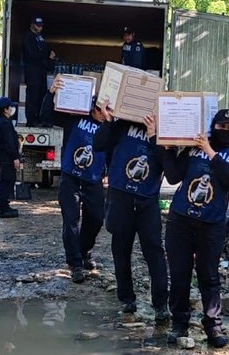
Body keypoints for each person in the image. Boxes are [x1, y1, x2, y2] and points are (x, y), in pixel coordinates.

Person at [162, 109, 229, 348]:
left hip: (211, 226)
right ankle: (179, 323)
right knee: (179, 275)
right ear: (213, 125)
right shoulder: (192, 149)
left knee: (209, 277)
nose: (227, 132)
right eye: (222, 126)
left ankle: (213, 327)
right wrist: (168, 147)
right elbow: (172, 176)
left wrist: (209, 151)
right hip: (180, 221)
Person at [94, 105, 171, 322]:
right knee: (121, 249)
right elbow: (98, 144)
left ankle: (161, 305)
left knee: (154, 252)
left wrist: (153, 134)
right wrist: (108, 121)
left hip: (147, 200)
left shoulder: (162, 130)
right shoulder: (120, 125)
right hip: (120, 196)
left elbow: (169, 165)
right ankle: (127, 298)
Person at [42, 77, 108, 283]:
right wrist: (51, 93)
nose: (102, 114)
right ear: (92, 108)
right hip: (71, 177)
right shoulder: (75, 119)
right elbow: (46, 116)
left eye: (105, 111)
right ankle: (75, 263)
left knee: (96, 219)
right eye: (98, 110)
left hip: (93, 180)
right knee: (70, 221)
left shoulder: (110, 128)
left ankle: (83, 250)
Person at [0, 95, 21, 219]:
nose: (12, 109)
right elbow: (8, 143)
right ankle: (3, 210)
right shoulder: (5, 123)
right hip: (6, 158)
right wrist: (15, 158)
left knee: (3, 182)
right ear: (5, 109)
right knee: (6, 183)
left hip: (1, 157)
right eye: (10, 107)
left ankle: (4, 207)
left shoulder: (0, 121)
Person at [22, 16, 56, 126]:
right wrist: (44, 55)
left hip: (41, 71)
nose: (39, 27)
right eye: (37, 25)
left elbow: (46, 50)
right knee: (33, 97)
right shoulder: (28, 37)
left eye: (41, 25)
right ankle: (31, 120)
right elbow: (31, 54)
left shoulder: (40, 38)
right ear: (32, 25)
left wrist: (50, 57)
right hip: (32, 71)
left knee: (42, 95)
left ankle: (41, 119)